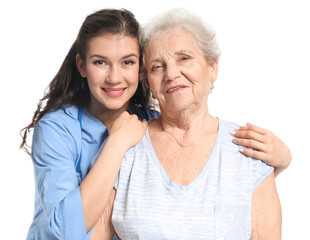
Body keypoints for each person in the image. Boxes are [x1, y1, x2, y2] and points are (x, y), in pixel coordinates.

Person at [21, 8, 289, 240]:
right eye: (158, 66)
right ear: (149, 79)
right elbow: (69, 231)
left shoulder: (147, 122)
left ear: (213, 67)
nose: (172, 74)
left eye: (184, 58)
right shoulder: (64, 130)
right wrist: (116, 142)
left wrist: (281, 161)